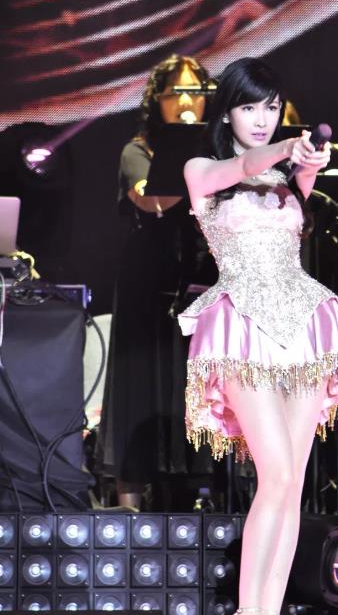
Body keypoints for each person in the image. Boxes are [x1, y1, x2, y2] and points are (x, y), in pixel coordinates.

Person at [177, 57, 338, 614]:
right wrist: (285, 147)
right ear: (226, 112)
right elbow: (243, 165)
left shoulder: (288, 175)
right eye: (249, 107)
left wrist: (308, 162)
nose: (262, 119)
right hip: (240, 327)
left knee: (292, 482)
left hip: (306, 325)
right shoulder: (201, 169)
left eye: (272, 108)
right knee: (276, 472)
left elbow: (301, 179)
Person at [96, 53, 213, 509]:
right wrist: (194, 168)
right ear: (157, 100)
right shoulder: (137, 150)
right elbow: (151, 202)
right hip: (147, 280)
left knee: (191, 381)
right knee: (139, 382)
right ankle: (128, 504)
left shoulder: (215, 151)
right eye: (175, 92)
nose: (185, 102)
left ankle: (196, 494)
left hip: (196, 276)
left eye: (194, 92)